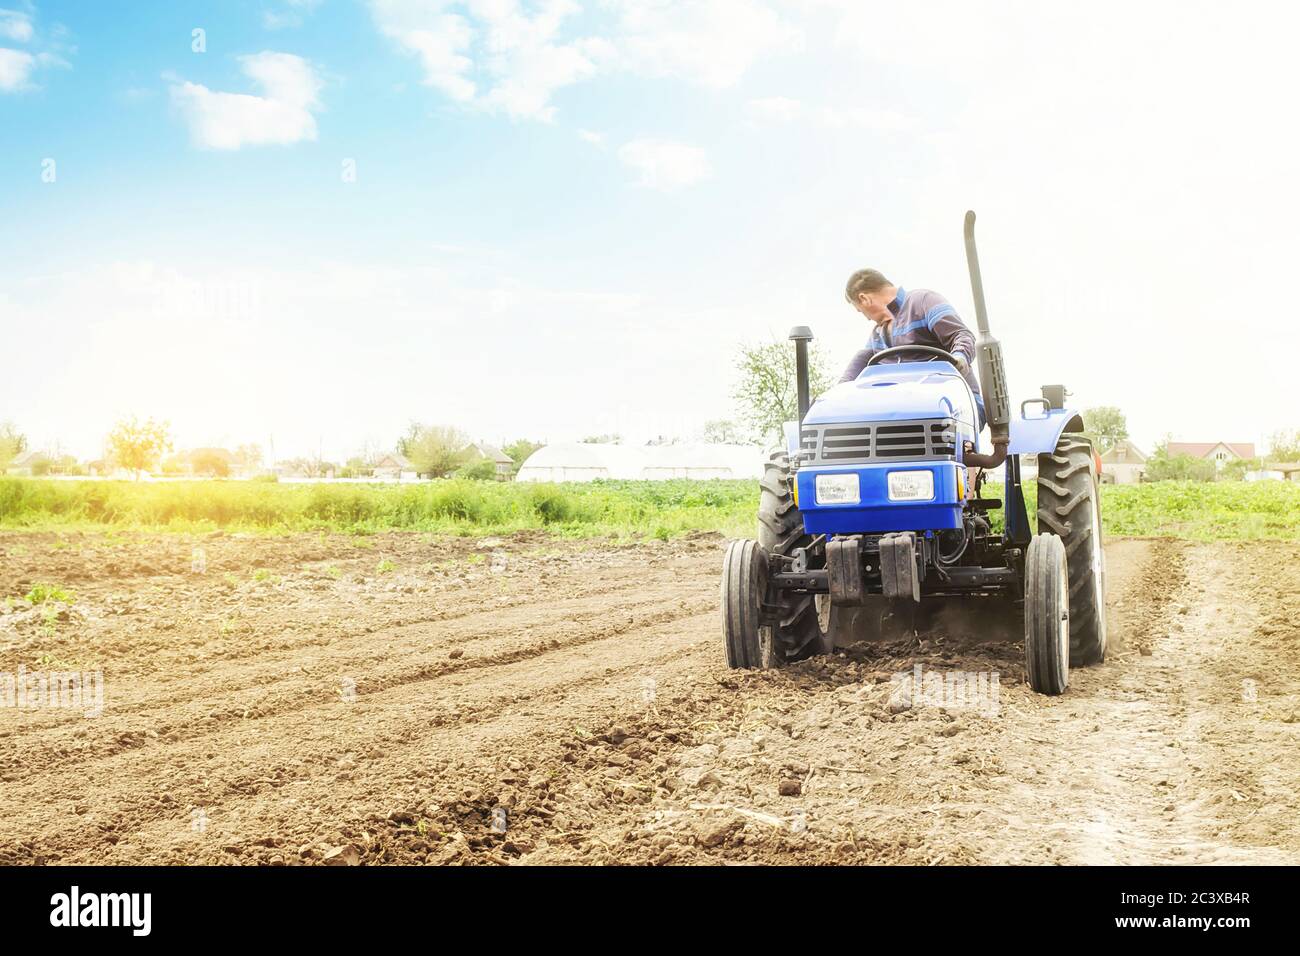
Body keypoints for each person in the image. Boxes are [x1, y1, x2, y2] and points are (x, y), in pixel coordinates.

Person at [839, 268, 985, 427]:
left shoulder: (923, 302)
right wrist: (837, 394)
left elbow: (962, 336)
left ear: (864, 298)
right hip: (906, 409)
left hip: (953, 403)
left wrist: (959, 359)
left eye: (861, 312)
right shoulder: (877, 335)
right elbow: (858, 364)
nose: (867, 319)